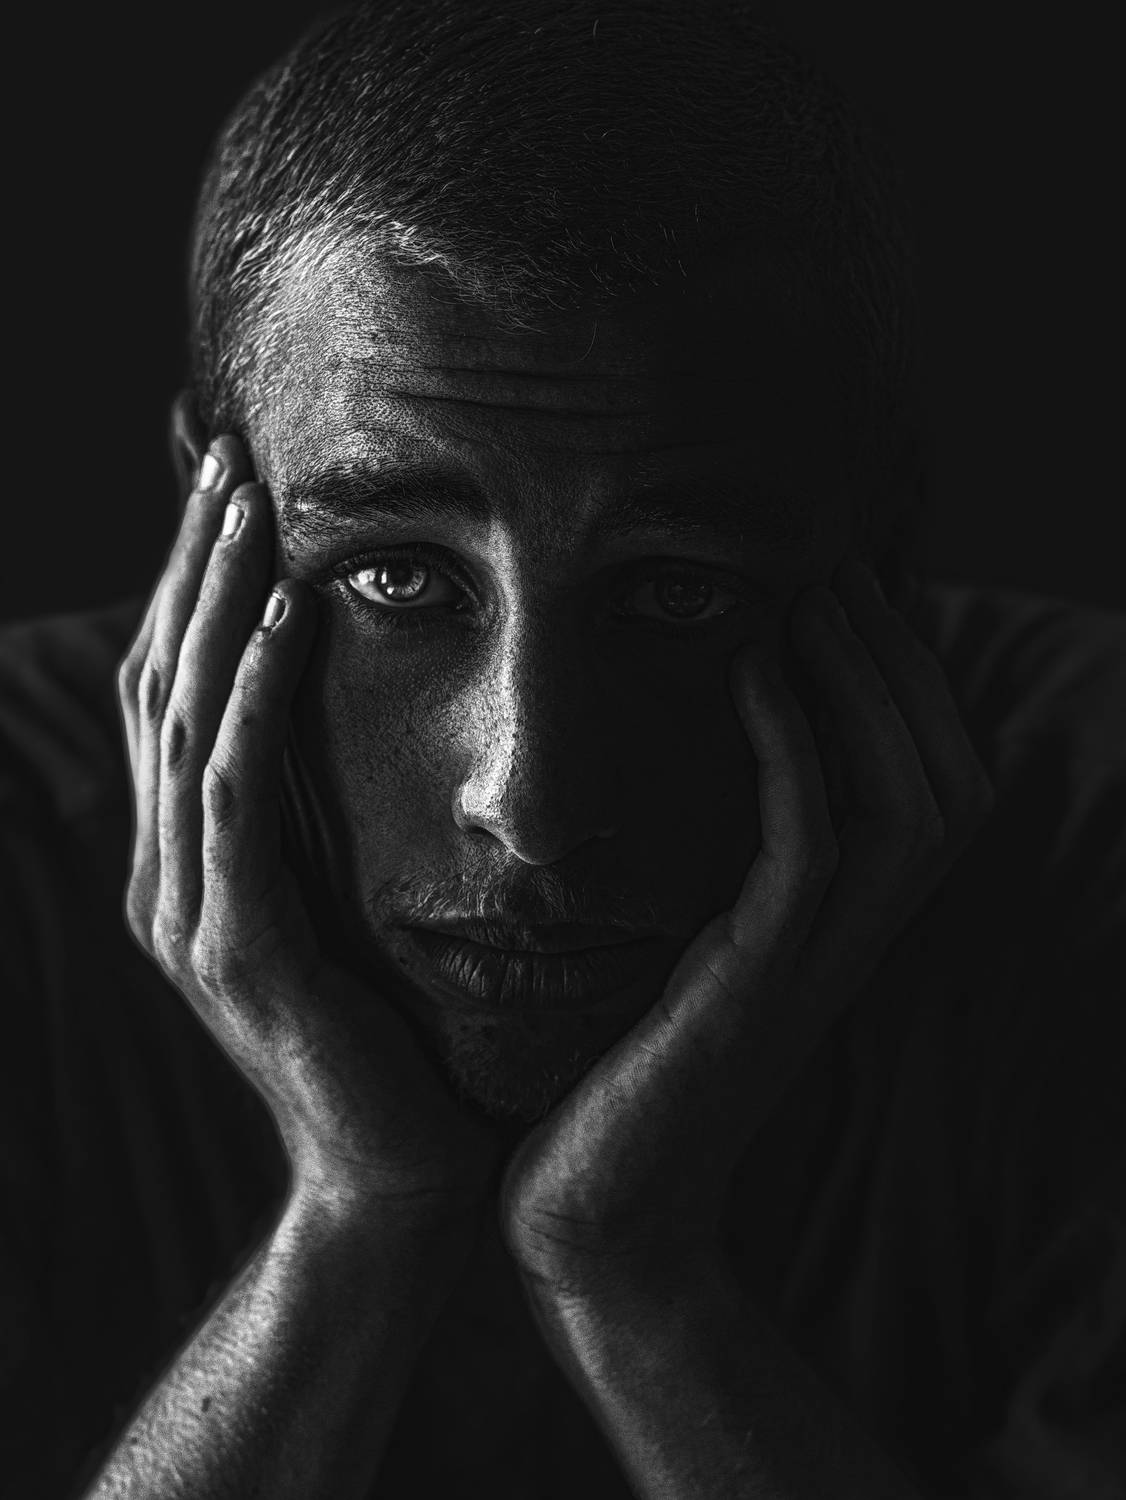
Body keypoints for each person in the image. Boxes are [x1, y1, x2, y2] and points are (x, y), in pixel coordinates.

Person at [2, 2, 1123, 1496]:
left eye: (676, 591)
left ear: (880, 561)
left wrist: (625, 1269)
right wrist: (355, 1213)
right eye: (397, 578)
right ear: (206, 532)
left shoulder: (1095, 835)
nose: (526, 800)